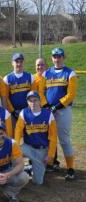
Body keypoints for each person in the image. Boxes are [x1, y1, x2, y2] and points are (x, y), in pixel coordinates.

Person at [39, 48, 77, 180]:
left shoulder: (70, 73)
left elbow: (71, 95)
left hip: (63, 110)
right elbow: (41, 92)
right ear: (52, 58)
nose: (57, 59)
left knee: (64, 139)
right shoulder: (46, 73)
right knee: (49, 137)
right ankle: (51, 163)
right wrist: (47, 106)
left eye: (59, 56)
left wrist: (57, 106)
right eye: (54, 56)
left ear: (63, 57)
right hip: (48, 111)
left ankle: (70, 168)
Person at [14, 91, 57, 185]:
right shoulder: (24, 112)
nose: (33, 103)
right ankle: (18, 171)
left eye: (35, 100)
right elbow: (18, 131)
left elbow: (53, 137)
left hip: (42, 150)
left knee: (38, 182)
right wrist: (16, 146)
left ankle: (30, 168)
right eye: (30, 101)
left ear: (40, 101)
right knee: (12, 154)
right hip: (27, 147)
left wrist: (50, 155)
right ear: (27, 102)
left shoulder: (48, 114)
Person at [35, 58, 60, 171]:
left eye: (42, 65)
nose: (40, 67)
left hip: (48, 110)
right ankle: (35, 160)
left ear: (46, 66)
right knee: (37, 135)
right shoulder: (33, 78)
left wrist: (48, 106)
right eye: (38, 65)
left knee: (50, 135)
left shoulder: (50, 76)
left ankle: (53, 161)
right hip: (36, 112)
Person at [3, 53, 38, 128]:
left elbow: (33, 96)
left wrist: (29, 109)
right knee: (14, 136)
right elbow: (5, 98)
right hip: (12, 113)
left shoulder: (30, 77)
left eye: (21, 62)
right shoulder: (7, 78)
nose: (19, 64)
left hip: (28, 111)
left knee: (29, 135)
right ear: (12, 63)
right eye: (16, 62)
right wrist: (12, 111)